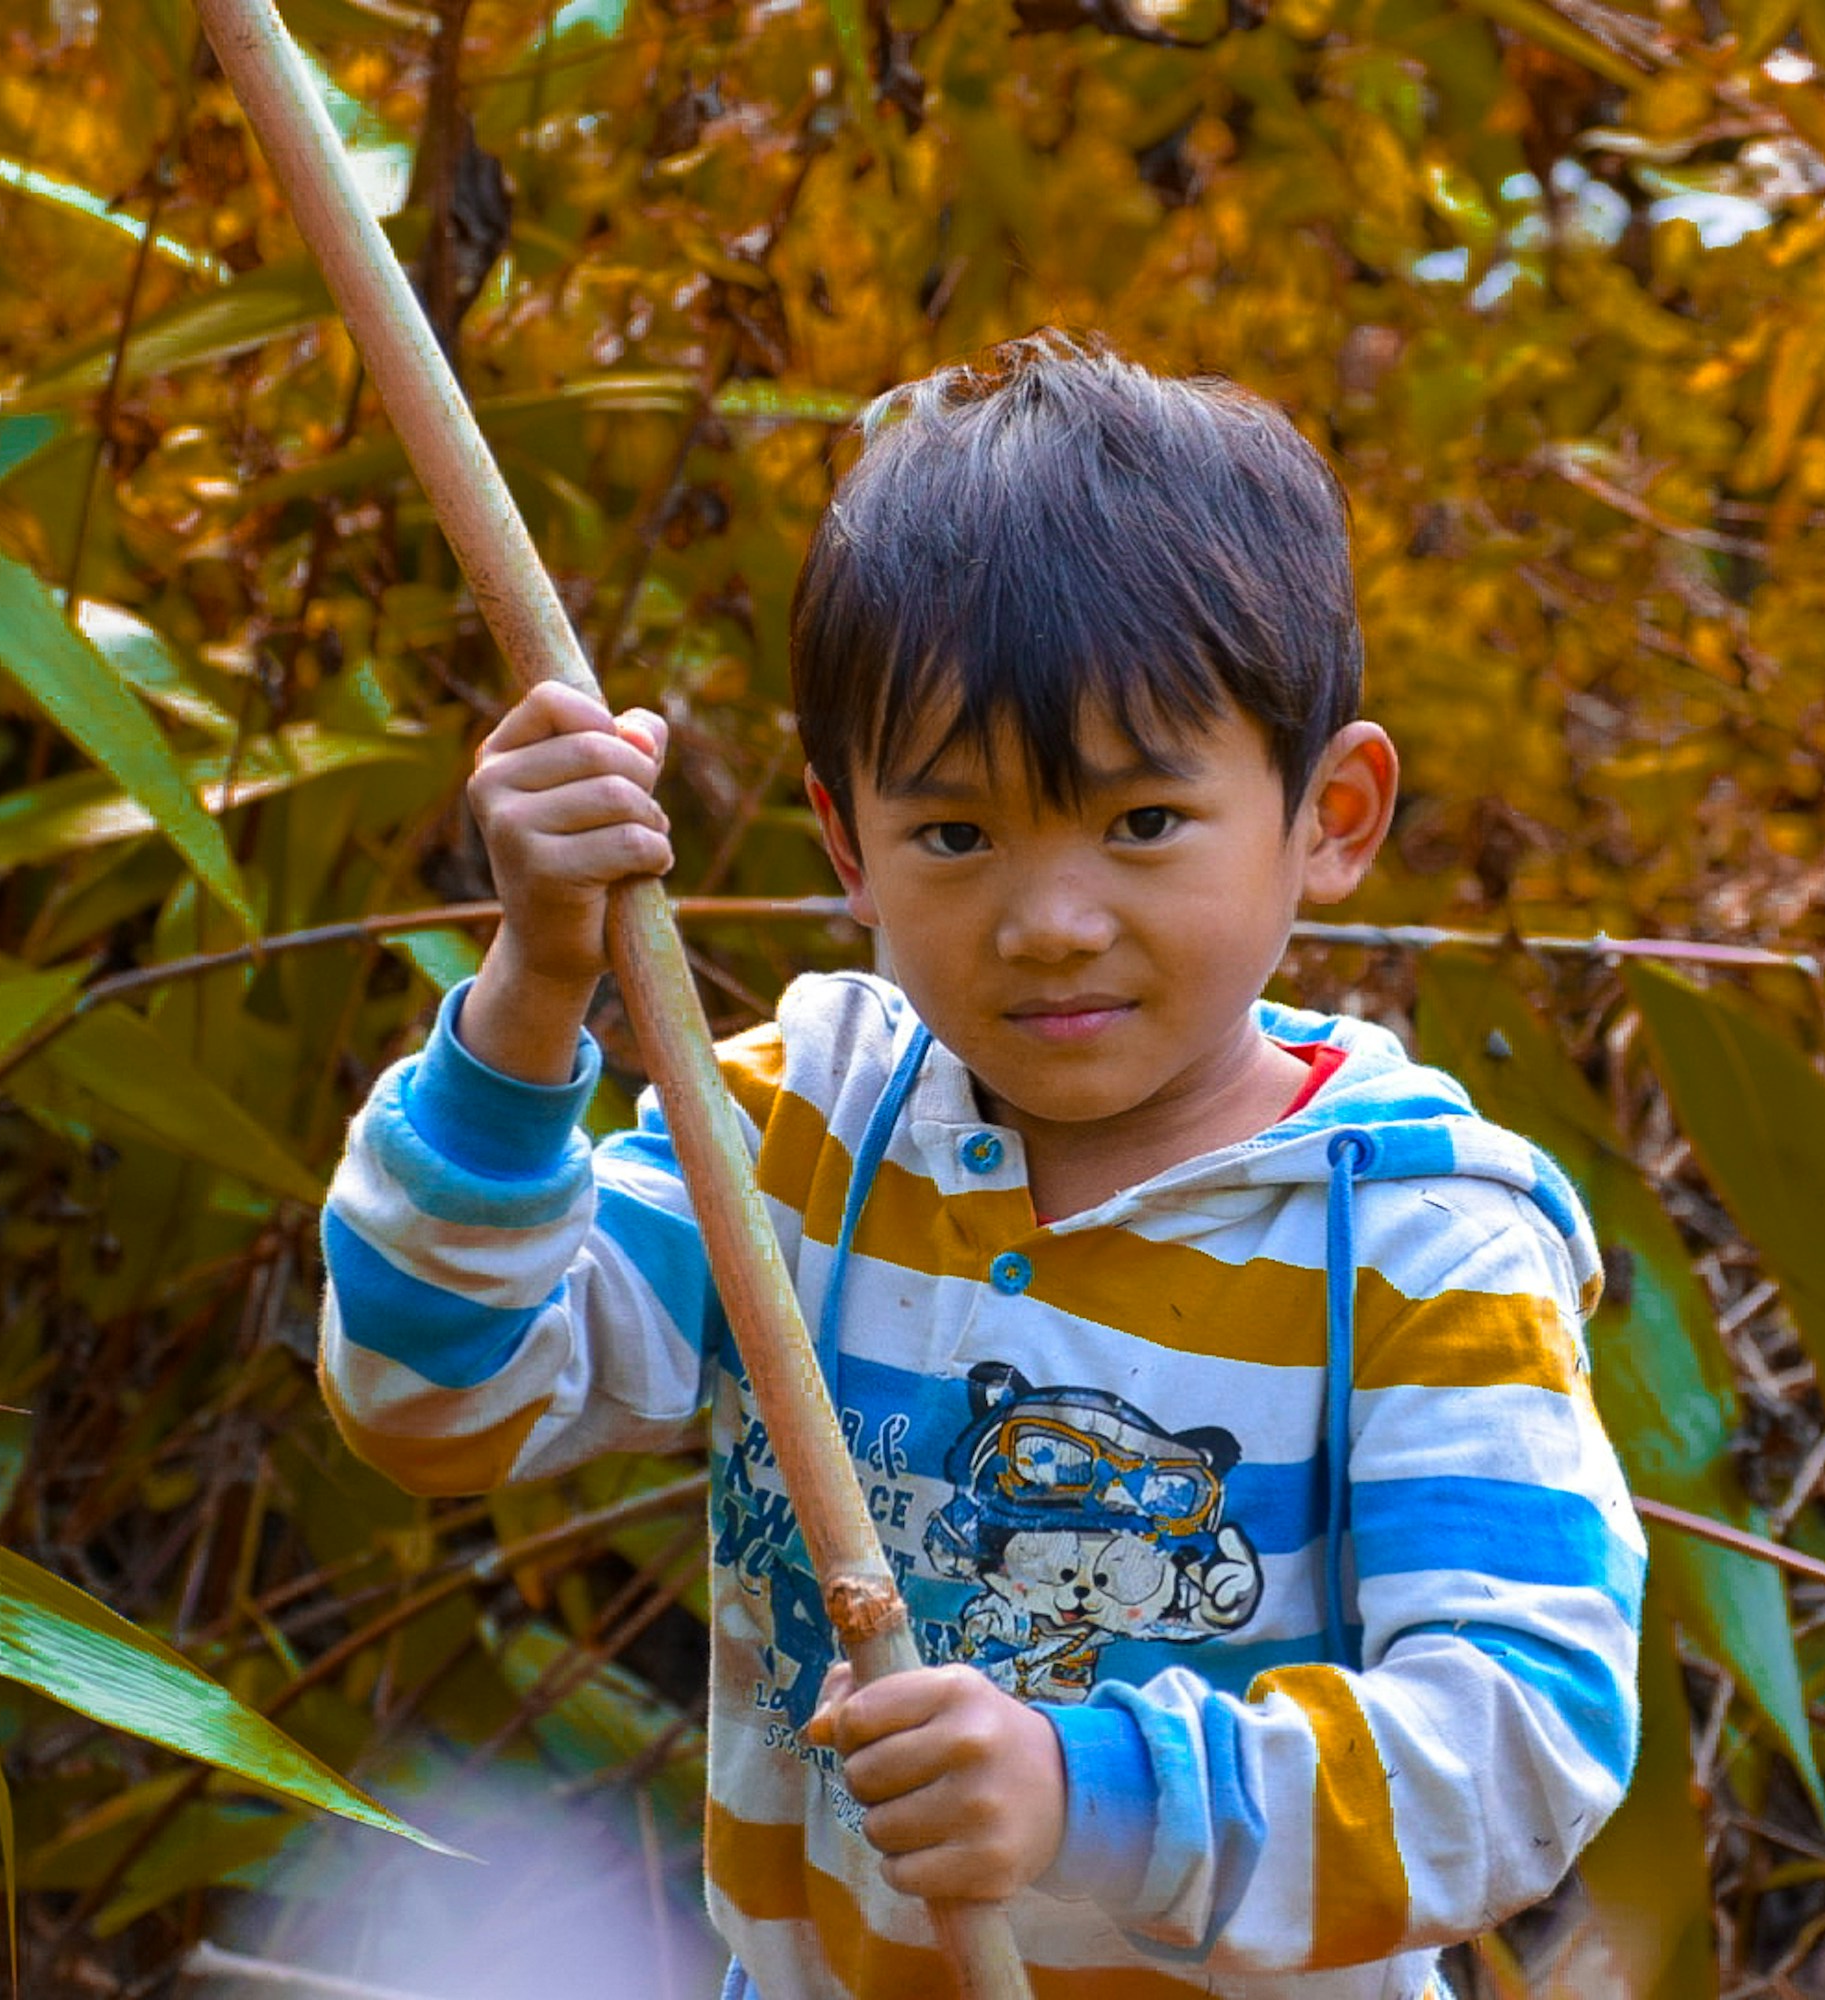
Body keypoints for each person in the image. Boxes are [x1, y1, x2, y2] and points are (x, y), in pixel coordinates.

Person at [317, 335, 1646, 2000]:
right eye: (956, 834)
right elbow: (439, 1401)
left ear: (1335, 812)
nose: (1050, 921)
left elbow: (1528, 1744)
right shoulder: (807, 1135)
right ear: (845, 838)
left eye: (1144, 821)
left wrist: (1088, 1797)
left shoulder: (1415, 1243)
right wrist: (531, 991)